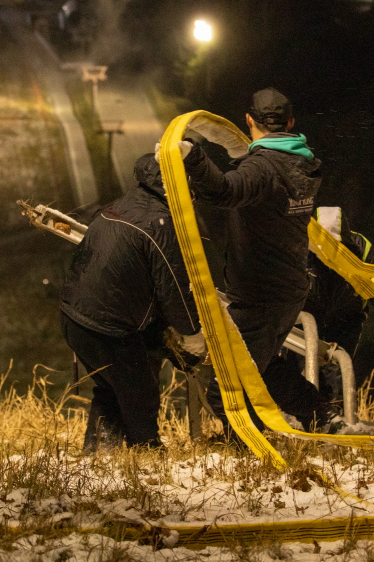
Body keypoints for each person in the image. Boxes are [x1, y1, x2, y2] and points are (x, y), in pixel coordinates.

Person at [175, 87, 325, 431]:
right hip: (291, 287)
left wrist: (193, 158)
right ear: (291, 122)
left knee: (226, 393)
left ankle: (254, 455)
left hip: (259, 295)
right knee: (264, 367)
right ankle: (321, 414)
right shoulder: (304, 162)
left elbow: (226, 192)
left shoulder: (262, 168)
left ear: (248, 120)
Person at [60, 153, 206, 453]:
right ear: (174, 186)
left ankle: (101, 454)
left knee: (111, 386)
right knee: (141, 394)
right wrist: (191, 333)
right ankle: (147, 452)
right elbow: (173, 287)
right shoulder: (159, 223)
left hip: (74, 316)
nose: (194, 192)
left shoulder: (117, 206)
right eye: (189, 185)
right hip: (108, 329)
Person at [264, 206, 374, 422]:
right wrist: (271, 337)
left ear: (347, 240)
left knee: (335, 377)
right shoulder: (295, 245)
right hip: (302, 316)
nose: (329, 257)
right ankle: (295, 426)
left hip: (346, 318)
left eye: (337, 249)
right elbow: (273, 292)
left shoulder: (364, 252)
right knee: (291, 374)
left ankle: (335, 428)